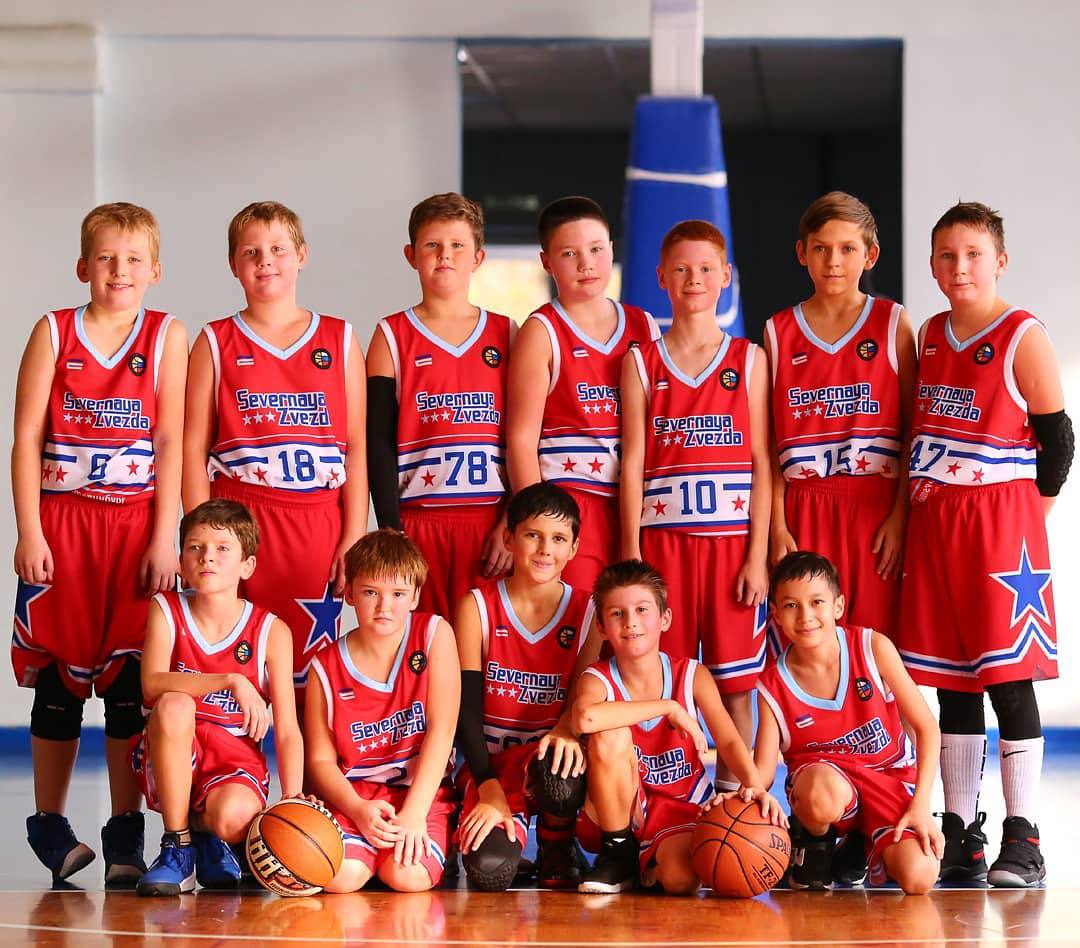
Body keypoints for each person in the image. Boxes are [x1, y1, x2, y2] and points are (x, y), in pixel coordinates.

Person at [12, 202, 187, 884]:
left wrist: (166, 536)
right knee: (58, 679)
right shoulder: (54, 331)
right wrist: (29, 528)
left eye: (134, 259)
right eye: (107, 258)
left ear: (155, 270)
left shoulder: (167, 335)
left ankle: (124, 833)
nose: (120, 270)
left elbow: (169, 441)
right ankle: (48, 822)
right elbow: (26, 437)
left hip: (135, 527)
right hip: (65, 523)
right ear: (83, 266)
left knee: (128, 685)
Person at [898, 202, 1072, 887]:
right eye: (947, 255)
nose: (960, 267)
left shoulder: (1021, 334)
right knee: (952, 682)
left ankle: (1023, 836)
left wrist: (1027, 518)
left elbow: (1059, 442)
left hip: (999, 524)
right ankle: (961, 831)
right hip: (937, 524)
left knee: (1008, 678)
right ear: (932, 265)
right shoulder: (931, 335)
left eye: (973, 254)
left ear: (999, 260)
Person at [183, 201, 366, 697]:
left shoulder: (340, 338)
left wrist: (353, 534)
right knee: (229, 665)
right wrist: (204, 533)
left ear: (301, 255)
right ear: (233, 264)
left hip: (316, 521)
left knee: (308, 678)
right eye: (251, 252)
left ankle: (305, 755)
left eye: (278, 249)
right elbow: (192, 448)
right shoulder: (215, 341)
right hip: (239, 517)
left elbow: (356, 448)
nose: (265, 260)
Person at [619, 220, 770, 786]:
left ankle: (734, 800)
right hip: (663, 545)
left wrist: (757, 556)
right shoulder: (641, 361)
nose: (694, 279)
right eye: (681, 269)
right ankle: (671, 799)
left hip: (731, 546)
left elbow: (762, 461)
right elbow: (633, 462)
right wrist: (632, 551)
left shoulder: (749, 358)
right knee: (665, 678)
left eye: (706, 268)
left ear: (726, 276)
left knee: (736, 684)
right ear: (661, 277)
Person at [572, 560, 784, 895]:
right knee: (610, 733)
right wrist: (668, 706)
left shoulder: (691, 674)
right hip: (616, 808)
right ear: (601, 627)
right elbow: (585, 718)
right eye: (617, 614)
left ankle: (645, 868)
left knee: (682, 879)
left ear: (665, 619)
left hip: (680, 807)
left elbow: (729, 739)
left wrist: (755, 785)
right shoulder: (597, 678)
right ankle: (618, 853)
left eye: (642, 610)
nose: (631, 622)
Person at [764, 192, 915, 641]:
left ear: (870, 255)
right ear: (802, 252)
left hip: (876, 505)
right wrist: (777, 525)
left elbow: (915, 431)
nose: (833, 261)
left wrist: (900, 515)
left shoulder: (892, 322)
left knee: (877, 642)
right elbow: (770, 441)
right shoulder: (778, 331)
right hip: (805, 506)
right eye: (821, 248)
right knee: (808, 641)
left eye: (847, 248)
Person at [133, 500, 304, 895]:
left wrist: (292, 796)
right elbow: (152, 684)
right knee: (174, 703)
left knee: (237, 817)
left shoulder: (271, 632)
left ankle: (207, 835)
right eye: (195, 547)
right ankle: (177, 845)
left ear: (247, 565)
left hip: (234, 760)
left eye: (222, 548)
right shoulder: (166, 609)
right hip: (176, 749)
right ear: (181, 560)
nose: (207, 557)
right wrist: (229, 680)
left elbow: (288, 729)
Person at [755, 551, 942, 894]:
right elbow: (763, 773)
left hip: (888, 778)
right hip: (825, 788)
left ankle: (861, 845)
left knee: (920, 877)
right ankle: (816, 840)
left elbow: (927, 728)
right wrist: (746, 791)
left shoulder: (872, 647)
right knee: (819, 793)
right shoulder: (771, 685)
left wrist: (922, 805)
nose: (806, 616)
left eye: (817, 602)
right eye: (792, 605)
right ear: (777, 615)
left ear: (838, 606)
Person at [366, 193, 513, 619]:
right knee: (422, 643)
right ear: (411, 255)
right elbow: (378, 440)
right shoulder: (391, 335)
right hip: (419, 519)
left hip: (490, 523)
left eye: (457, 246)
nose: (444, 255)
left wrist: (512, 522)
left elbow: (526, 436)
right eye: (432, 245)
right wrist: (391, 529)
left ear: (478, 257)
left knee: (484, 644)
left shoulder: (508, 333)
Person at [507, 197, 660, 591]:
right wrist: (538, 523)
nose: (586, 264)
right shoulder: (541, 331)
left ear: (612, 249)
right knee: (577, 615)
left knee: (633, 618)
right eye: (569, 253)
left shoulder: (643, 325)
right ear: (546, 262)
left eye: (595, 249)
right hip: (571, 504)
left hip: (639, 503)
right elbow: (521, 439)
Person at [454, 481, 599, 891]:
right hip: (490, 763)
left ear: (574, 548)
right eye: (533, 535)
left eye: (558, 539)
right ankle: (484, 825)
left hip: (548, 760)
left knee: (561, 772)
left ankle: (557, 842)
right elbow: (465, 710)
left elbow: (582, 698)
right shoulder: (476, 606)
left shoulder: (588, 609)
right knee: (490, 872)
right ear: (509, 538)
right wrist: (488, 787)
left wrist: (565, 730)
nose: (545, 550)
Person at [305, 530, 460, 892]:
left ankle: (426, 847)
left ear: (415, 596)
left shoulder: (434, 634)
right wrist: (358, 810)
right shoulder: (324, 667)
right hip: (356, 795)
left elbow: (442, 729)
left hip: (421, 791)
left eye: (398, 594)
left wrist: (415, 813)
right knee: (340, 877)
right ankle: (368, 855)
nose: (384, 606)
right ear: (349, 593)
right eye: (370, 592)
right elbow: (321, 762)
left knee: (406, 876)